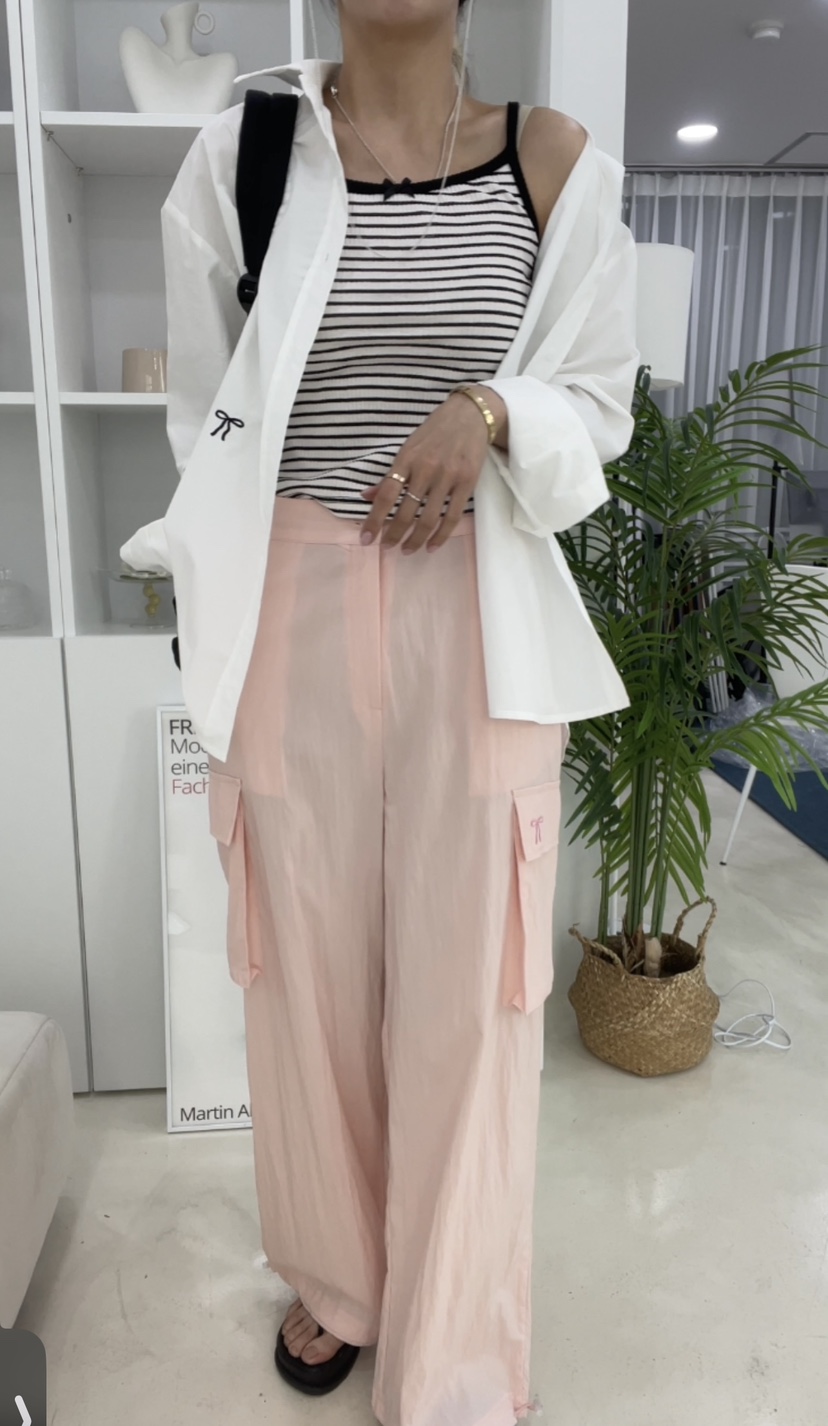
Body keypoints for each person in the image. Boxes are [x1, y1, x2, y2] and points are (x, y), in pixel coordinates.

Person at [119, 1, 640, 1421]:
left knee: (475, 985)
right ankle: (342, 1275)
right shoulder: (248, 150)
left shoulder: (553, 162)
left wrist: (493, 412)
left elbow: (600, 399)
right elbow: (204, 412)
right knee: (306, 969)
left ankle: (456, 1333)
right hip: (293, 601)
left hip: (481, 612)